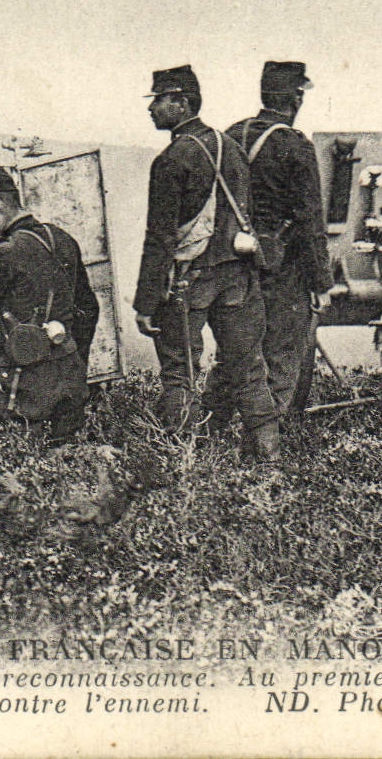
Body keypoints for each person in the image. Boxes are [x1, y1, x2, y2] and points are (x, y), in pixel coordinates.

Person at [134, 65, 282, 463]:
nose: (151, 109)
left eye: (159, 100)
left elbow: (160, 239)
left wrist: (145, 303)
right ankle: (269, 461)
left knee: (180, 372)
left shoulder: (171, 160)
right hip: (238, 277)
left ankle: (185, 464)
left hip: (190, 281)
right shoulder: (230, 146)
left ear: (181, 103)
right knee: (249, 369)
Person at [0, 167, 100, 447]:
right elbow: (89, 309)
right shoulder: (61, 239)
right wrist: (72, 357)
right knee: (67, 458)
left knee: (19, 464)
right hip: (70, 375)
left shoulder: (5, 252)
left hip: (24, 384)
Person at [226, 61, 331, 419]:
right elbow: (310, 220)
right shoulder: (293, 144)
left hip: (232, 265)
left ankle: (214, 433)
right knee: (282, 354)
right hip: (280, 267)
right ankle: (268, 445)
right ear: (296, 98)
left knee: (235, 352)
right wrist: (321, 282)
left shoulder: (231, 135)